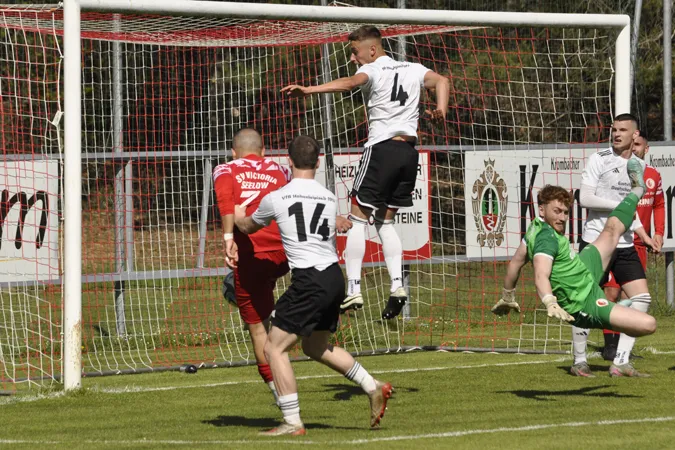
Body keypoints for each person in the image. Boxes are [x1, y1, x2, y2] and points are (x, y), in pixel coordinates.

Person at [281, 25, 450, 320]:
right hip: (409, 153)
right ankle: (397, 286)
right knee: (385, 222)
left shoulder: (373, 69)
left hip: (382, 149)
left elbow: (350, 83)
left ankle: (353, 289)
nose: (353, 58)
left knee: (357, 219)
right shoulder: (413, 68)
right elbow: (442, 80)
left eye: (354, 52)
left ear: (372, 49)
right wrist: (441, 109)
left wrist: (309, 89)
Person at [234, 135, 393, 436]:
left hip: (309, 279)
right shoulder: (328, 198)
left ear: (288, 161)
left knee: (273, 348)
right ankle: (373, 386)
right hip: (333, 277)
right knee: (315, 346)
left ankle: (292, 422)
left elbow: (247, 227)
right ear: (318, 162)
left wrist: (238, 214)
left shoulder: (277, 197)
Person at [491, 177, 656, 374]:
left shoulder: (535, 227)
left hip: (582, 268)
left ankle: (637, 189)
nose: (562, 217)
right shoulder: (546, 240)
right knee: (649, 324)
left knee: (612, 230)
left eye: (565, 212)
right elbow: (541, 275)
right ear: (542, 210)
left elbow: (515, 263)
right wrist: (550, 301)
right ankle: (614, 333)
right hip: (585, 302)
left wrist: (508, 296)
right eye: (557, 211)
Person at [213, 128, 292, 405]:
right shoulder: (281, 170)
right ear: (263, 151)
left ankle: (280, 396)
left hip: (252, 257)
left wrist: (227, 238)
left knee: (258, 330)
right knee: (268, 302)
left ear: (233, 152)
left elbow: (225, 202)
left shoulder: (225, 169)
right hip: (285, 254)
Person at [572, 113, 655, 377]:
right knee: (583, 300)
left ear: (635, 135)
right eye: (614, 129)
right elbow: (585, 198)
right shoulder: (600, 159)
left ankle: (620, 361)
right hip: (597, 240)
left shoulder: (638, 165)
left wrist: (642, 233)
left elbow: (631, 209)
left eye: (622, 130)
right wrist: (620, 206)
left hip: (625, 241)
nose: (616, 134)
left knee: (641, 298)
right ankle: (579, 361)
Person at [597, 132, 665, 361]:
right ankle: (609, 345)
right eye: (631, 144)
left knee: (632, 296)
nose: (634, 148)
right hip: (618, 241)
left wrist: (658, 233)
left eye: (638, 145)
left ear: (646, 148)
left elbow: (659, 204)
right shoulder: (617, 171)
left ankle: (622, 350)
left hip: (639, 245)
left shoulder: (653, 175)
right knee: (611, 291)